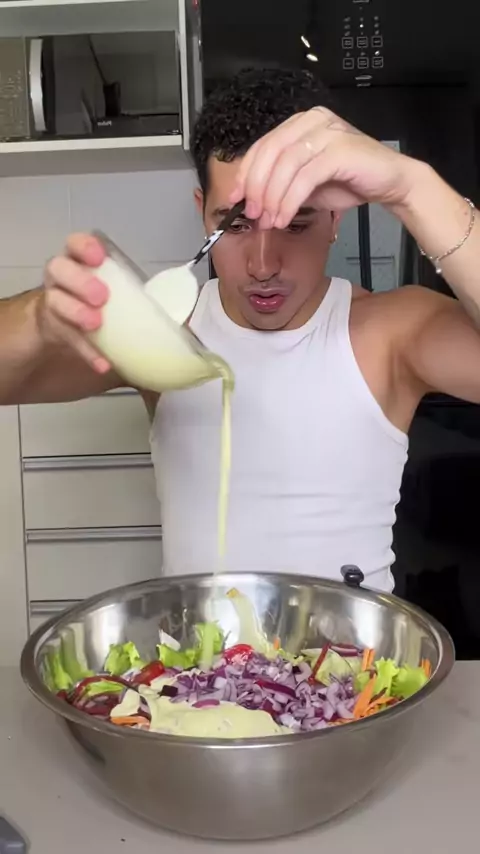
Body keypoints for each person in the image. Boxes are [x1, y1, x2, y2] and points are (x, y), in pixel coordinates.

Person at [1, 67, 480, 591]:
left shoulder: (394, 331)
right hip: (195, 643)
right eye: (235, 225)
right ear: (202, 213)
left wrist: (412, 188)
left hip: (349, 642)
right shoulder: (168, 337)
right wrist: (40, 317)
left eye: (295, 223)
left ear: (335, 218)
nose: (263, 265)